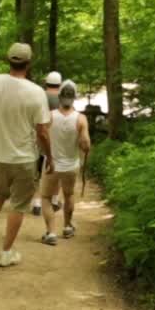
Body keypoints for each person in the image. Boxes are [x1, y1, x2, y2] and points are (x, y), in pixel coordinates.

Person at [0, 43, 53, 267]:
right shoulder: (36, 92)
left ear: (8, 60)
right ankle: (6, 253)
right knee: (18, 205)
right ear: (29, 63)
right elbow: (43, 132)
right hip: (24, 158)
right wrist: (50, 158)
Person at [39, 80, 91, 245]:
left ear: (60, 97)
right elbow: (85, 144)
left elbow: (41, 137)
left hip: (51, 164)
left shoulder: (50, 116)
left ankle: (51, 233)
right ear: (74, 98)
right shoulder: (81, 119)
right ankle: (67, 227)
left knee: (46, 198)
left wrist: (45, 154)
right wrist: (84, 145)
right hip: (71, 165)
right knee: (69, 195)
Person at [32, 71, 64, 216]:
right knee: (56, 169)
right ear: (60, 83)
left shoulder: (40, 95)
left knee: (39, 170)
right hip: (57, 137)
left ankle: (37, 202)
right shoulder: (63, 98)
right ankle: (55, 200)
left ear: (46, 82)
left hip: (40, 135)